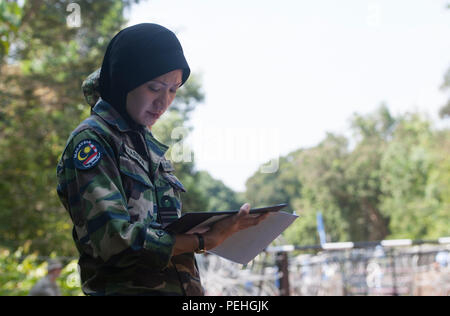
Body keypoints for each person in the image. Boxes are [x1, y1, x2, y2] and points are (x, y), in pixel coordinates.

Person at [56, 23, 268, 296]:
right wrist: (202, 240)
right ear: (124, 81)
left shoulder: (144, 143)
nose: (164, 102)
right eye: (154, 88)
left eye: (173, 90)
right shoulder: (93, 142)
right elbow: (114, 241)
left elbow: (162, 229)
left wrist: (219, 229)